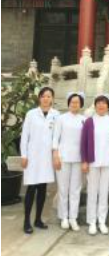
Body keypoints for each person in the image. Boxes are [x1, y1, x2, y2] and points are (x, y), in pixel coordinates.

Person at [20, 86, 60, 234]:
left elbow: (56, 137)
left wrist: (56, 155)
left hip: (46, 158)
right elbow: (25, 137)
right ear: (39, 98)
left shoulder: (56, 115)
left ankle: (38, 219)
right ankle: (26, 221)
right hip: (32, 157)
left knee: (43, 189)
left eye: (49, 96)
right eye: (43, 96)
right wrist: (24, 155)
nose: (46, 98)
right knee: (31, 189)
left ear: (52, 99)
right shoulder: (31, 114)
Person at [81, 94, 109, 236]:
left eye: (104, 103)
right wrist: (84, 161)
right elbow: (83, 143)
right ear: (95, 105)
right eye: (99, 103)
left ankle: (102, 221)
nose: (101, 106)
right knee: (92, 192)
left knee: (104, 193)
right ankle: (91, 222)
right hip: (92, 162)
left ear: (108, 106)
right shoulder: (89, 122)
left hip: (108, 162)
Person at [52, 92, 86, 232]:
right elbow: (55, 138)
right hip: (63, 158)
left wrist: (85, 159)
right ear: (68, 103)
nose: (74, 104)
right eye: (72, 102)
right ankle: (64, 217)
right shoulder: (61, 118)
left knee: (75, 190)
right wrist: (55, 155)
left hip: (78, 159)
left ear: (81, 104)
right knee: (63, 188)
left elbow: (86, 141)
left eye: (77, 102)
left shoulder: (84, 119)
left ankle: (73, 217)